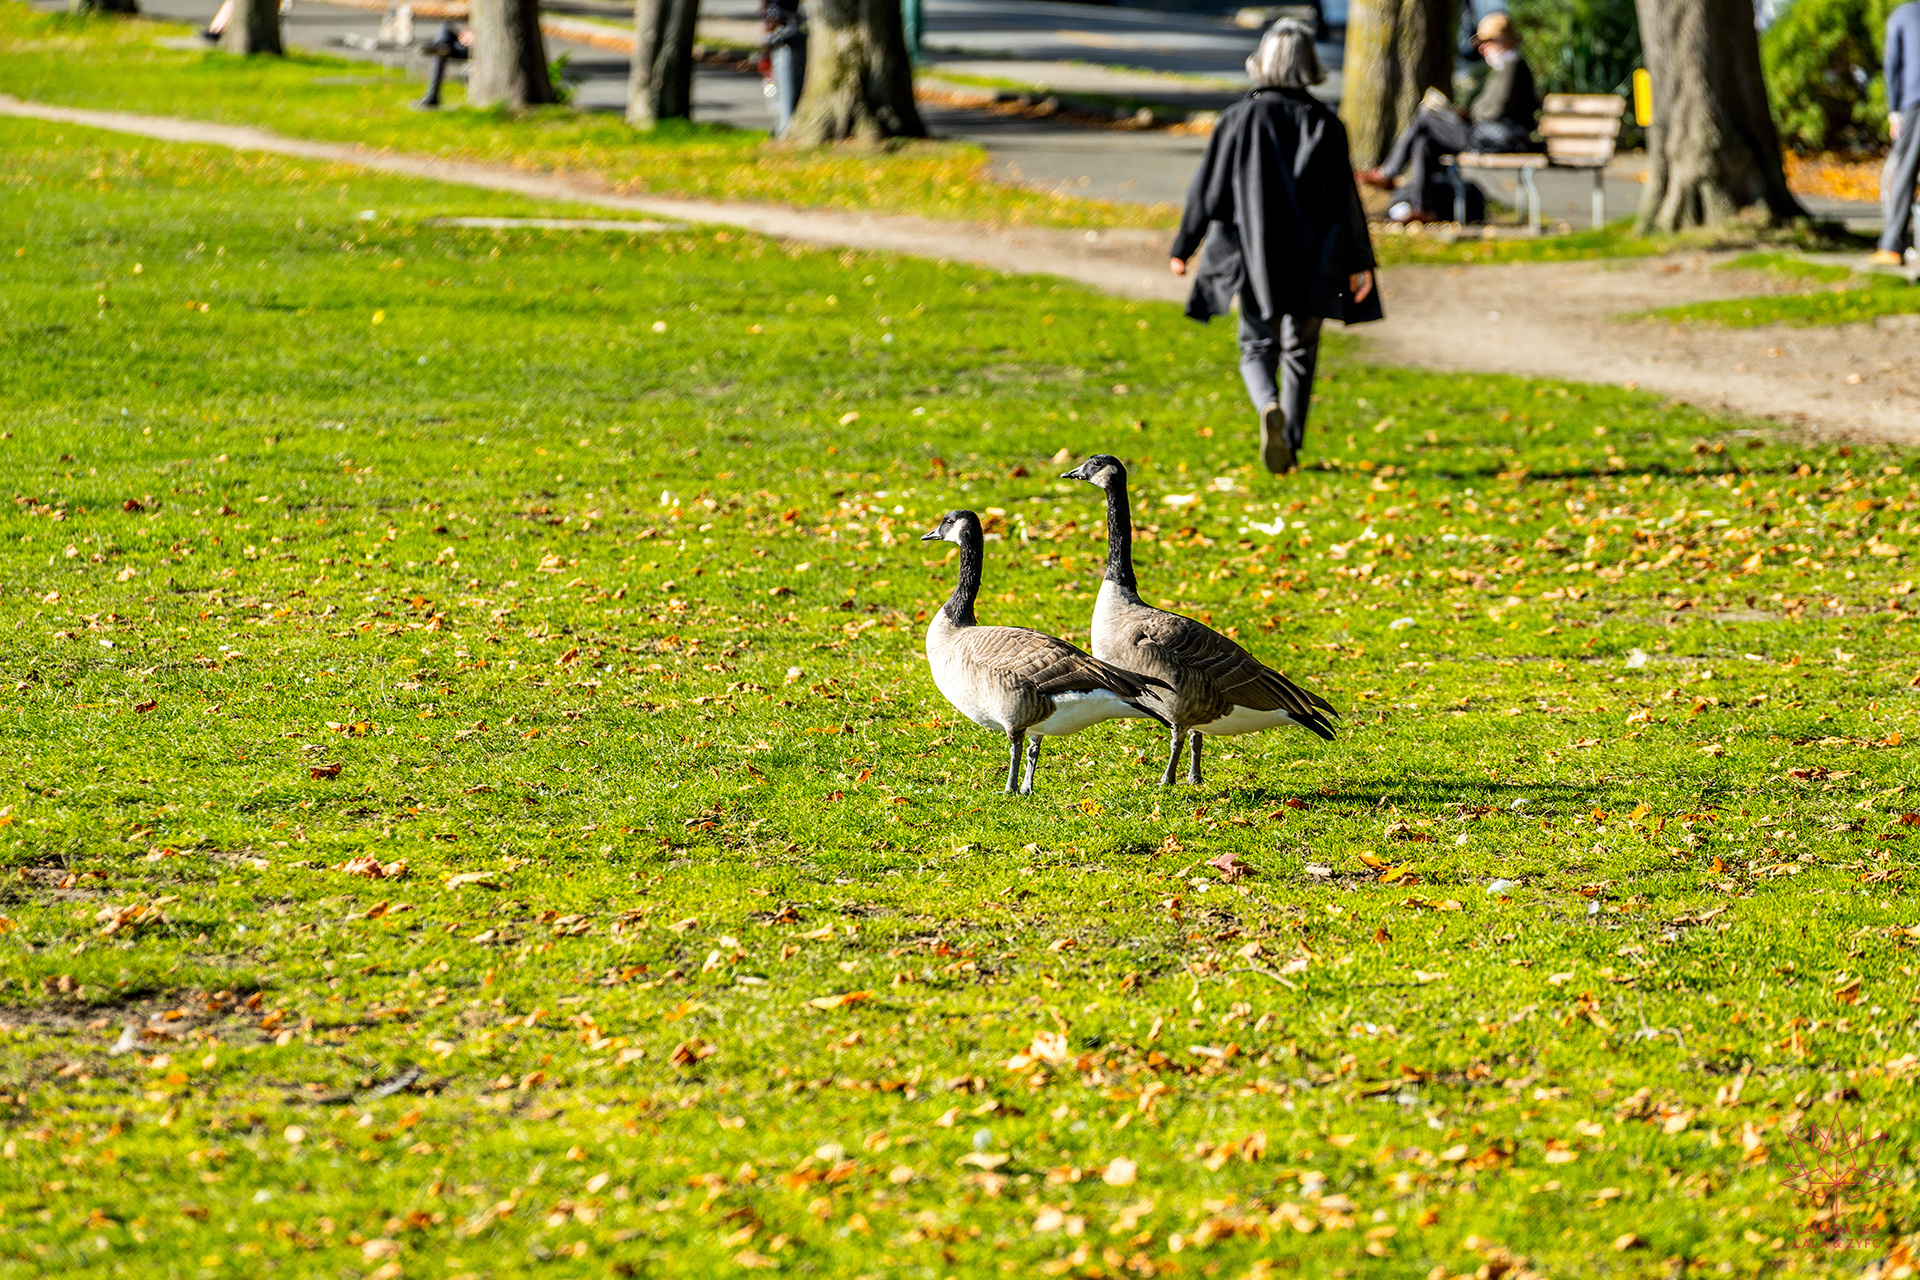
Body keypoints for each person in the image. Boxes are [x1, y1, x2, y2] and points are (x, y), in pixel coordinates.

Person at [1169, 18, 1380, 475]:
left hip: (1253, 250)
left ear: (1262, 62)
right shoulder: (1325, 123)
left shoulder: (1238, 119)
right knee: (1301, 352)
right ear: (1309, 65)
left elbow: (1206, 189)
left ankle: (1268, 405)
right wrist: (1360, 262)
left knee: (1256, 345)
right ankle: (1292, 446)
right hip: (1316, 253)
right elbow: (1345, 198)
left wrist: (1185, 246)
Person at [1356, 11, 1540, 222]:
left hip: (1494, 139)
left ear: (1501, 41)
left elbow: (1495, 111)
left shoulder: (1513, 66)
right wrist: (1465, 113)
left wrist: (1468, 115)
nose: (1482, 49)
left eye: (1486, 43)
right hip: (1488, 135)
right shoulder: (1507, 67)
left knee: (1426, 116)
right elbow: (1493, 109)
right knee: (1423, 143)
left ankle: (1388, 173)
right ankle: (1422, 207)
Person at [1872, 0, 1920, 265]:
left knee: (1905, 168)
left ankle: (1892, 245)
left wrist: (1895, 113)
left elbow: (1893, 66)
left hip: (1916, 101)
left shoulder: (1901, 15)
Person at [760, 0, 807, 139]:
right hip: (783, 40)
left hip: (786, 37)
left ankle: (784, 124)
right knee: (776, 92)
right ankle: (783, 124)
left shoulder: (776, 12)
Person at [416, 23, 472, 110]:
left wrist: (475, 37)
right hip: (465, 44)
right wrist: (466, 33)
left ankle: (432, 98)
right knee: (445, 28)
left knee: (440, 52)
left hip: (475, 49)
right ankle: (441, 47)